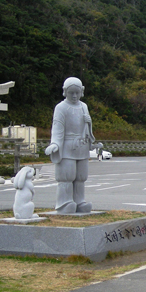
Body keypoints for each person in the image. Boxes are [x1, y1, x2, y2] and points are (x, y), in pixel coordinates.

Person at [44, 77, 101, 213]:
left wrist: (89, 125)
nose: (74, 96)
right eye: (71, 93)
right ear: (65, 92)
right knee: (66, 176)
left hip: (82, 145)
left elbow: (86, 130)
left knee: (81, 177)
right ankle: (64, 203)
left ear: (81, 92)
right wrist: (55, 144)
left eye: (77, 92)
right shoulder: (61, 107)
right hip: (67, 146)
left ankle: (79, 201)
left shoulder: (84, 106)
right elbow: (57, 128)